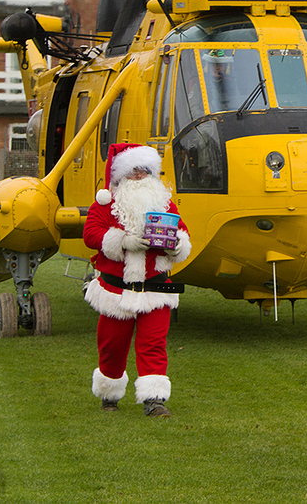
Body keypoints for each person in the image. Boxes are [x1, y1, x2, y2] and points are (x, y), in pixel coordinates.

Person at [83, 143, 192, 416]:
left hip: (155, 288)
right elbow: (90, 234)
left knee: (154, 344)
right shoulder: (105, 205)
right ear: (121, 175)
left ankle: (154, 400)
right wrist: (123, 240)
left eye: (145, 171)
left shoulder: (165, 204)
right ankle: (109, 395)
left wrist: (176, 245)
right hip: (115, 290)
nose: (140, 176)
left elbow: (182, 233)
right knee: (112, 346)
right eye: (134, 171)